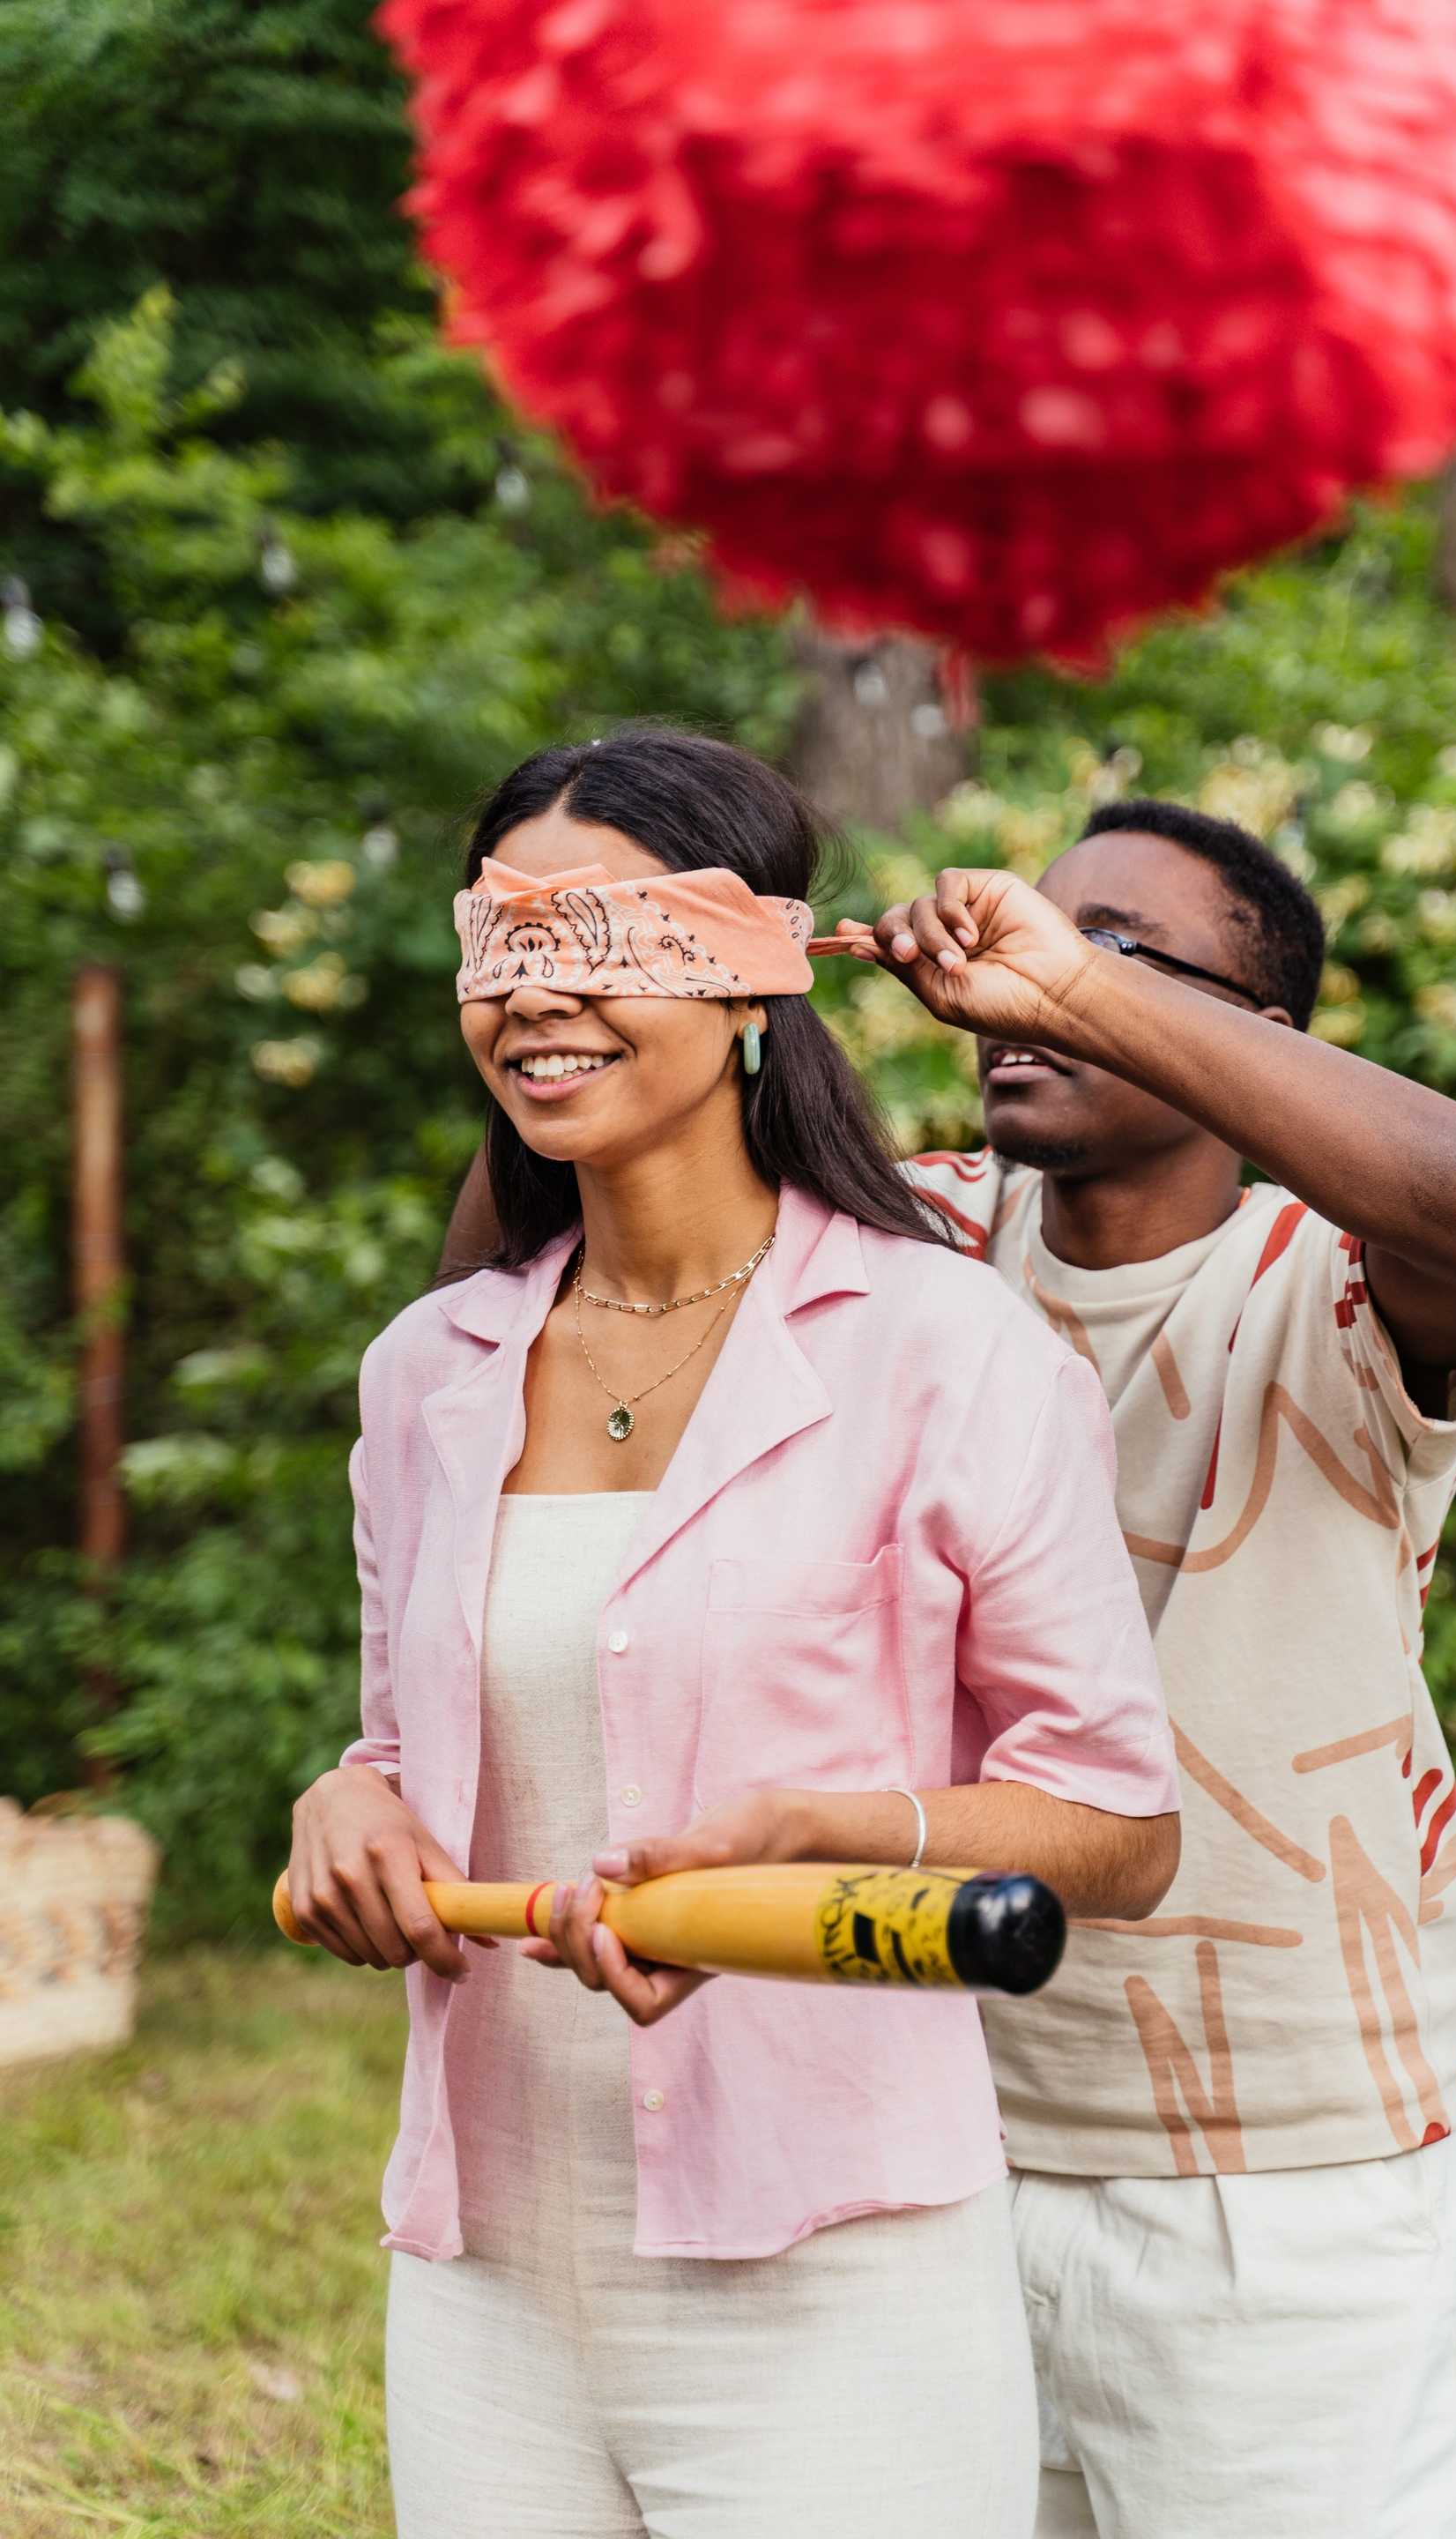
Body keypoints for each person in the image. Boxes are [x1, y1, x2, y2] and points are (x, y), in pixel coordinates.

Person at [439, 786, 1456, 2535]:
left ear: (1238, 1037)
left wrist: (1069, 984)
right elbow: (526, 1291)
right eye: (1041, 923)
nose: (1041, 966)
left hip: (1290, 2173)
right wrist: (646, 958)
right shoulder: (906, 1254)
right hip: (936, 2137)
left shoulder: (1335, 1288)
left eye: (1127, 949)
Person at [291, 729, 1179, 2539]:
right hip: (490, 2282)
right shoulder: (428, 1379)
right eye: (505, 940)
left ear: (753, 974)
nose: (545, 993)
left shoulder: (949, 1350)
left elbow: (1119, 1826)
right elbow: (402, 1744)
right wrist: (349, 1802)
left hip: (837, 2278)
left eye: (606, 936)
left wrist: (829, 1827)